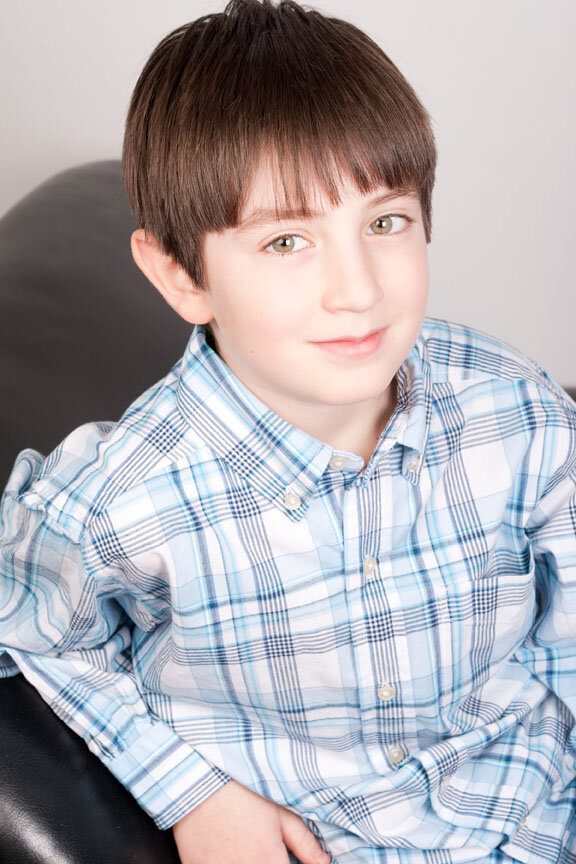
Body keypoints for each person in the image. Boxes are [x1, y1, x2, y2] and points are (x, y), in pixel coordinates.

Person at [0, 0, 574, 861]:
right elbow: (26, 623)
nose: (358, 291)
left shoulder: (515, 408)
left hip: (536, 806)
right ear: (181, 275)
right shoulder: (122, 496)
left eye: (385, 223)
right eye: (286, 242)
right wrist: (189, 788)